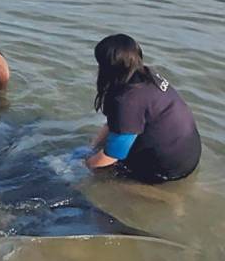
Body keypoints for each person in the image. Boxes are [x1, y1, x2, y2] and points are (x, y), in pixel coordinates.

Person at [86, 34, 201, 183]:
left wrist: (85, 164)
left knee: (106, 175)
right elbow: (115, 124)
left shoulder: (127, 100)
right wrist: (92, 146)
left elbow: (114, 154)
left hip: (170, 168)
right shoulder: (147, 74)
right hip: (189, 153)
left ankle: (165, 198)